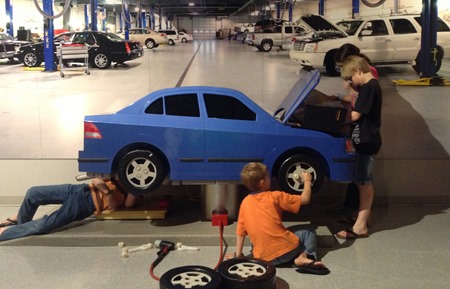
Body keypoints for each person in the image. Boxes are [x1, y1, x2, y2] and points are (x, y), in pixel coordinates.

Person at [227, 162, 330, 275]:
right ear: (262, 182)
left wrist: (238, 255)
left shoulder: (245, 203)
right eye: (267, 176)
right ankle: (304, 256)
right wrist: (307, 180)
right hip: (288, 251)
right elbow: (305, 199)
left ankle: (284, 258)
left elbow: (240, 233)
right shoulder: (275, 196)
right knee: (308, 230)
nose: (269, 178)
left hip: (264, 259)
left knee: (259, 242)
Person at [0, 177, 138, 242]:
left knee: (45, 225)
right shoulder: (115, 174)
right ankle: (22, 221)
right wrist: (108, 192)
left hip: (86, 204)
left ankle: (6, 232)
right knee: (33, 193)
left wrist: (135, 185)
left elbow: (124, 205)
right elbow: (96, 179)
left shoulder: (134, 191)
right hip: (79, 189)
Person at [335, 55, 382, 240]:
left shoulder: (370, 87)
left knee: (364, 182)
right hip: (363, 140)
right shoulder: (367, 87)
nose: (350, 82)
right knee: (361, 180)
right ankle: (362, 217)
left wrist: (335, 119)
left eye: (350, 78)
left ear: (358, 71)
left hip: (368, 141)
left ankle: (360, 226)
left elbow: (355, 115)